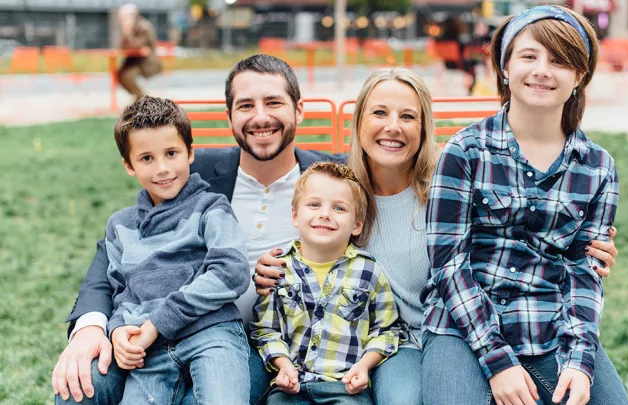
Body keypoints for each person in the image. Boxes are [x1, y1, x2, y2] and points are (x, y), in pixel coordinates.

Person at [254, 67, 620, 405]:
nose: (393, 127)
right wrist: (268, 265)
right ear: (359, 121)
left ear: (425, 126)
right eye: (379, 113)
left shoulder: (451, 186)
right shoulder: (338, 195)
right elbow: (296, 226)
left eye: (408, 116)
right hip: (369, 345)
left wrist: (583, 247)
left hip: (448, 332)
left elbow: (516, 232)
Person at [51, 54, 342, 405]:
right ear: (229, 116)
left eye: (274, 103)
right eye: (246, 105)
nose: (260, 116)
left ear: (299, 109)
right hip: (154, 332)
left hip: (256, 341)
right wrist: (93, 327)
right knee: (79, 390)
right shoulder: (184, 169)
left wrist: (295, 272)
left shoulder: (334, 179)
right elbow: (115, 262)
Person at [421, 6, 628, 405]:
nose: (542, 70)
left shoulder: (598, 167)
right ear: (505, 66)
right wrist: (498, 361)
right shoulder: (465, 151)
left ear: (580, 76)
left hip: (549, 323)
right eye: (529, 56)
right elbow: (448, 264)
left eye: (560, 61)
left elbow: (584, 273)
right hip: (463, 326)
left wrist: (580, 361)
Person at [105, 96, 251, 404]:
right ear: (128, 165)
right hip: (149, 351)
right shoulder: (120, 226)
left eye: (171, 153)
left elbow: (232, 272)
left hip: (212, 334)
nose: (162, 168)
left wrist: (158, 322)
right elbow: (121, 292)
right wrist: (117, 330)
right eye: (146, 158)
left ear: (190, 153)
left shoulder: (211, 208)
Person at [250, 162, 407, 405]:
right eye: (314, 204)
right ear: (295, 214)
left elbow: (387, 330)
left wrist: (365, 366)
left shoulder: (369, 272)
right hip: (291, 387)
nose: (325, 214)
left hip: (345, 388)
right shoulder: (278, 269)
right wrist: (282, 365)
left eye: (339, 208)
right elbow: (265, 330)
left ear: (357, 224)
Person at [117, 4, 162, 102]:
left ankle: (143, 98)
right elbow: (122, 47)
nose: (121, 20)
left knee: (127, 75)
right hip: (134, 61)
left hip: (146, 62)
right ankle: (139, 97)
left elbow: (136, 45)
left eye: (122, 17)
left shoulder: (144, 27)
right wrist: (126, 32)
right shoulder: (130, 27)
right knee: (120, 73)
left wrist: (128, 32)